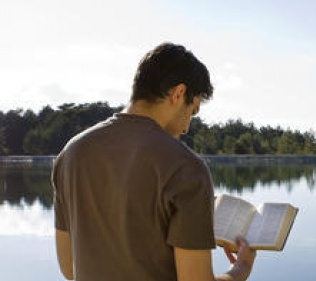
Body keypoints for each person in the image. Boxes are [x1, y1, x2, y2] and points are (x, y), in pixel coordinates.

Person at [52, 42, 256, 281]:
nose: (187, 126)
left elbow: (70, 269)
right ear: (178, 94)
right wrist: (241, 268)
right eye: (193, 111)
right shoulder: (186, 167)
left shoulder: (71, 153)